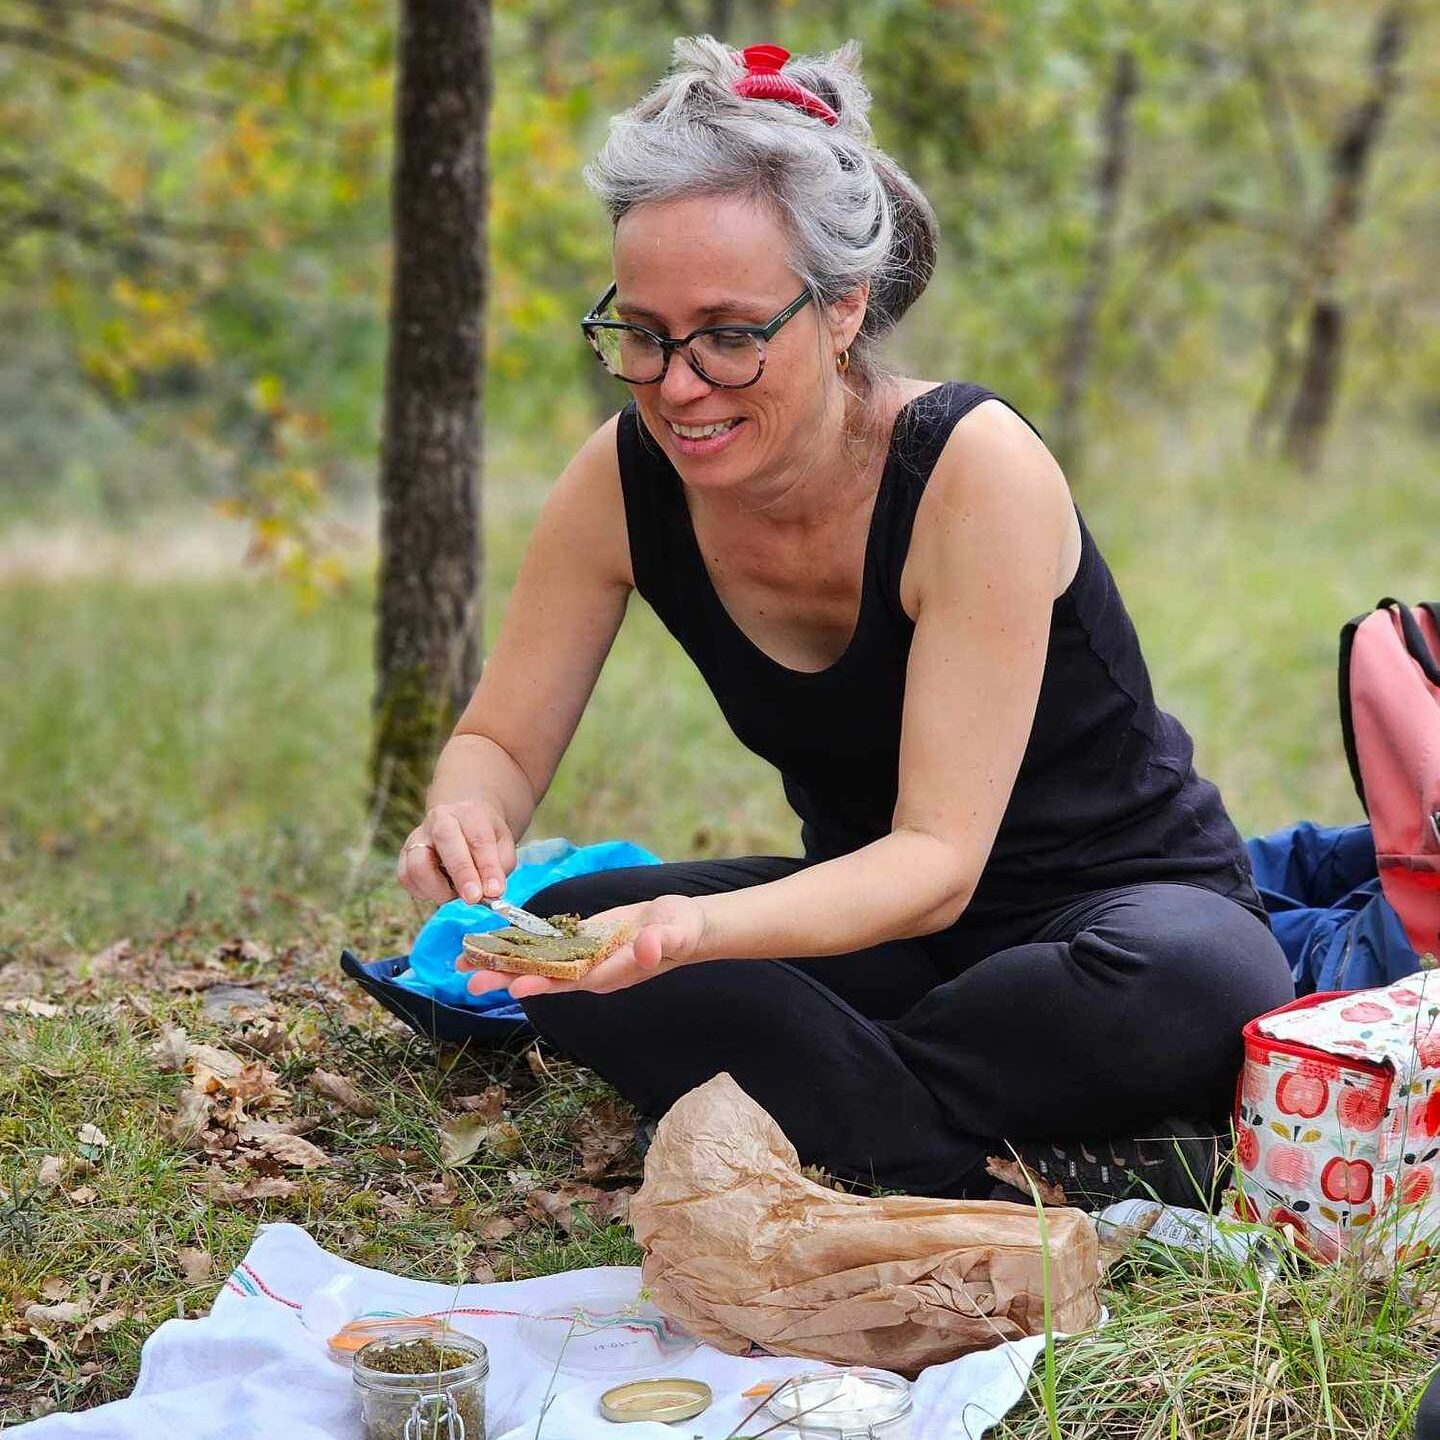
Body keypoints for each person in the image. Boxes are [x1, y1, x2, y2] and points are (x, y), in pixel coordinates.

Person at [396, 37, 1294, 1206]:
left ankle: (875, 1129)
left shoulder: (971, 469)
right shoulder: (620, 482)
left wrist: (700, 937)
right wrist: (465, 817)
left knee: (1199, 982)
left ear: (841, 309)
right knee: (566, 932)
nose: (677, 384)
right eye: (643, 332)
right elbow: (503, 745)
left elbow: (935, 863)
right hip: (875, 935)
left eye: (728, 334)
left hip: (1103, 921)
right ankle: (1023, 1160)